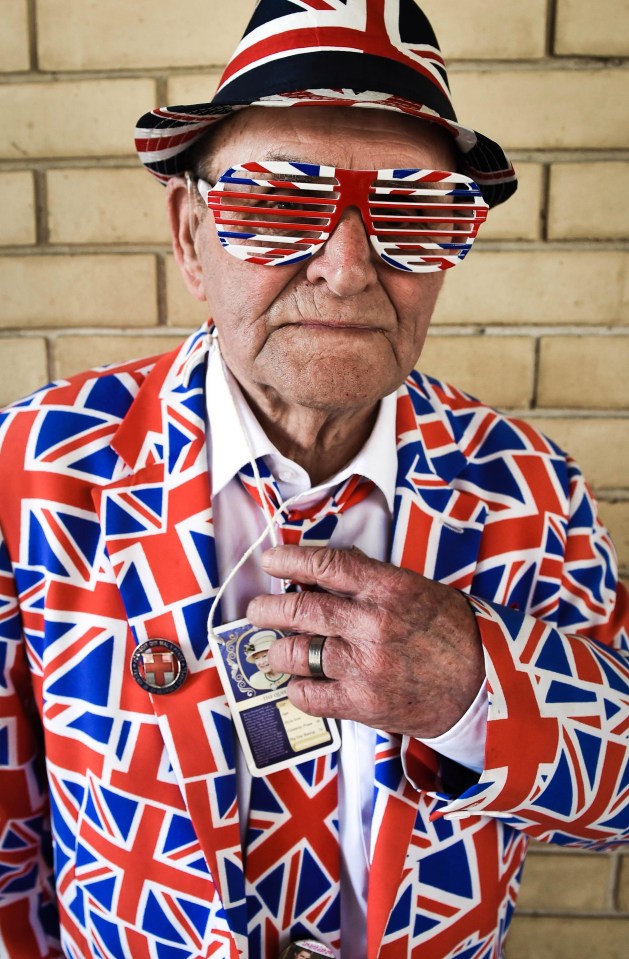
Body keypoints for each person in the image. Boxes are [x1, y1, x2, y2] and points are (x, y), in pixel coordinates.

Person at [0, 1, 627, 958]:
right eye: (275, 202)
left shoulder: (529, 489)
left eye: (412, 211)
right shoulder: (36, 470)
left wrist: (476, 687)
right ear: (190, 236)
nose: (345, 269)